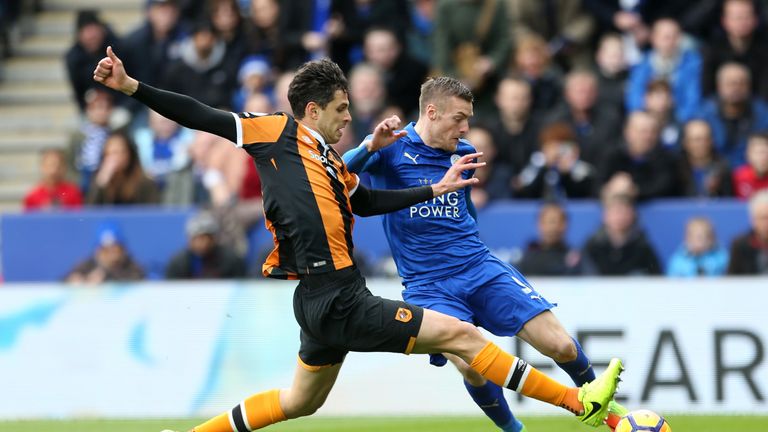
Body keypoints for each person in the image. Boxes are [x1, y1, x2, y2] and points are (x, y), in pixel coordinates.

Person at [93, 46, 623, 432]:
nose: (349, 119)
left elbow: (366, 201)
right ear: (313, 110)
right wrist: (131, 87)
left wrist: (432, 187)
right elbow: (200, 115)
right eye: (342, 110)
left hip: (320, 301)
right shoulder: (272, 132)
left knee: (299, 402)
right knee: (465, 338)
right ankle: (582, 406)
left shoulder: (329, 162)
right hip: (340, 297)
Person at [342, 76, 627, 432]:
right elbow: (334, 171)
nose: (465, 128)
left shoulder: (463, 152)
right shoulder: (390, 148)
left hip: (478, 267)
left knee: (562, 346)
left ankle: (614, 417)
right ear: (432, 112)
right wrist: (369, 147)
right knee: (471, 364)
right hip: (428, 285)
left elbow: (465, 209)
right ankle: (513, 429)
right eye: (458, 118)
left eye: (468, 119)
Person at [166, 211, 247, 279]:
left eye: (204, 237)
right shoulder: (178, 262)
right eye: (196, 238)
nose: (200, 243)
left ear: (213, 238)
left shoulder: (231, 260)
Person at [65, 222, 146, 284]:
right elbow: (62, 281)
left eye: (115, 248)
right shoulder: (87, 265)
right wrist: (75, 280)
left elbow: (137, 282)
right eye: (106, 250)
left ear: (123, 249)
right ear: (97, 250)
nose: (112, 254)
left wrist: (106, 278)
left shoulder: (132, 266)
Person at [727, 189, 768, 274]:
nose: (766, 223)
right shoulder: (740, 245)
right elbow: (731, 279)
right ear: (753, 220)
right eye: (763, 218)